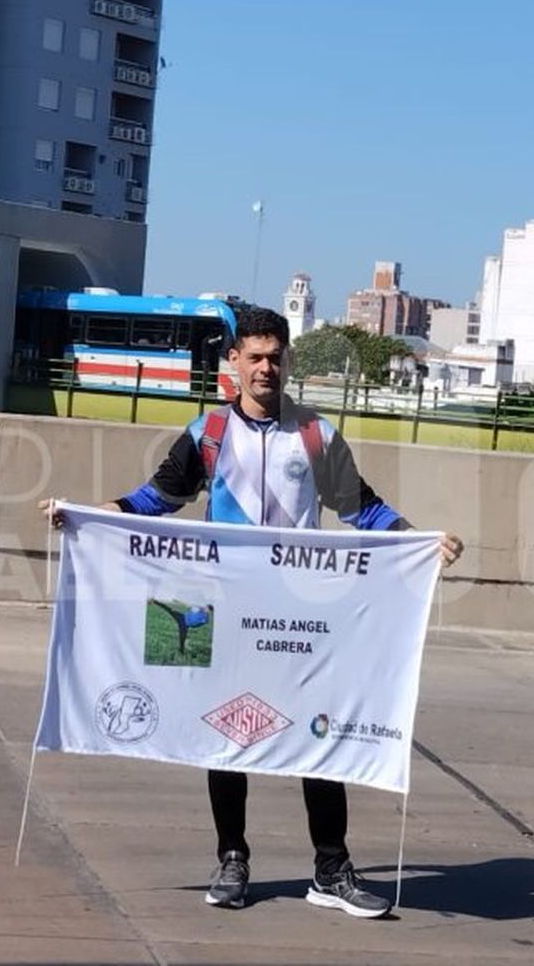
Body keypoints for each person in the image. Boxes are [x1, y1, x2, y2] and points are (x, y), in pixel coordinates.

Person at [42, 305, 463, 919]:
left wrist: (421, 541)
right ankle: (233, 858)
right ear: (234, 363)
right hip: (225, 611)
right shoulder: (208, 434)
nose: (266, 367)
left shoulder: (317, 435)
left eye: (276, 357)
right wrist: (84, 515)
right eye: (255, 357)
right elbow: (155, 499)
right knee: (226, 734)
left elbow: (362, 509)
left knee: (321, 731)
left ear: (289, 361)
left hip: (301, 618)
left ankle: (330, 868)